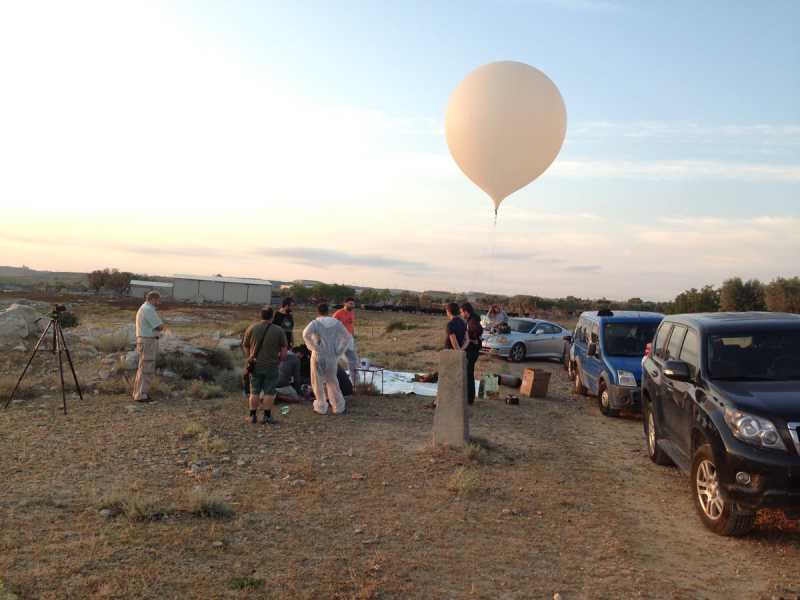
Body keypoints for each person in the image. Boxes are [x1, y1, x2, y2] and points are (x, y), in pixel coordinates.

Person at [302, 302, 352, 415]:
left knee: (317, 381)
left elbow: (305, 334)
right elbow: (347, 337)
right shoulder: (336, 323)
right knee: (332, 381)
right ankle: (339, 407)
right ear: (328, 311)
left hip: (318, 355)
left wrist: (313, 347)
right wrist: (339, 350)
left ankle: (321, 406)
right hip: (332, 356)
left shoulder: (315, 323)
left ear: (318, 311)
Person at [242, 307, 287, 424]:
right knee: (269, 391)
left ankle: (252, 416)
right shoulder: (279, 330)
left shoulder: (252, 328)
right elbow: (283, 350)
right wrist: (280, 360)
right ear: (272, 316)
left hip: (255, 364)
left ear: (261, 315)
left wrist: (249, 358)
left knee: (254, 391)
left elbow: (245, 345)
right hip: (272, 365)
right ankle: (267, 416)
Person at [133, 291, 165, 402]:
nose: (159, 302)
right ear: (153, 299)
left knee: (143, 367)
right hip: (148, 341)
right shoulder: (148, 309)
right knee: (147, 367)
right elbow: (159, 326)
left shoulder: (144, 308)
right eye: (158, 300)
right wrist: (161, 325)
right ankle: (141, 395)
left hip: (144, 340)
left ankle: (138, 393)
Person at [460, 302, 483, 405]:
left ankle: (470, 399)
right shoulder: (472, 319)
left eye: (461, 312)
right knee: (469, 374)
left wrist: (471, 338)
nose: (461, 314)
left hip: (472, 351)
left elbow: (478, 330)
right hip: (473, 350)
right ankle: (469, 397)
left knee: (469, 374)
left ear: (466, 312)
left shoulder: (472, 321)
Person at [333, 297, 359, 387]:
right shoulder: (338, 314)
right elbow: (332, 327)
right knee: (335, 359)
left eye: (353, 304)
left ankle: (355, 384)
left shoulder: (352, 313)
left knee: (353, 361)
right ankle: (334, 382)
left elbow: (351, 325)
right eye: (350, 303)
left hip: (349, 339)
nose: (352, 305)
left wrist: (353, 336)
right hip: (340, 340)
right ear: (345, 303)